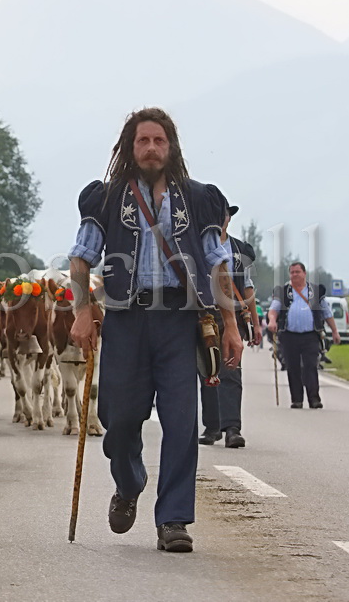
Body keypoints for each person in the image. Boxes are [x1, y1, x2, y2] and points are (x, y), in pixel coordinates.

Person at [68, 108, 243, 553]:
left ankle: (174, 520)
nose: (150, 148)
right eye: (143, 141)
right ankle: (129, 483)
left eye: (158, 141)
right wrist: (83, 310)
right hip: (126, 319)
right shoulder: (106, 198)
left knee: (182, 422)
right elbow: (81, 257)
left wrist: (229, 324)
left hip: (179, 323)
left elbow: (219, 264)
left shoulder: (200, 198)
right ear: (131, 147)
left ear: (171, 147)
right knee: (119, 419)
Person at [198, 204, 261, 449]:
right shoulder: (199, 243)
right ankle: (212, 427)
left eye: (226, 215)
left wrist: (255, 323)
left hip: (231, 315)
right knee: (207, 370)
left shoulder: (239, 250)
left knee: (231, 370)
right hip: (204, 313)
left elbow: (247, 288)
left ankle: (232, 428)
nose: (223, 219)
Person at [266, 262, 340, 409]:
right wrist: (272, 321)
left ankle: (314, 399)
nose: (294, 275)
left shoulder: (315, 292)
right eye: (292, 272)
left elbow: (326, 313)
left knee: (310, 366)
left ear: (304, 273)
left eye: (297, 272)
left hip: (311, 335)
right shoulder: (283, 292)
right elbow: (274, 309)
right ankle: (297, 399)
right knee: (292, 367)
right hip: (289, 336)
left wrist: (335, 331)